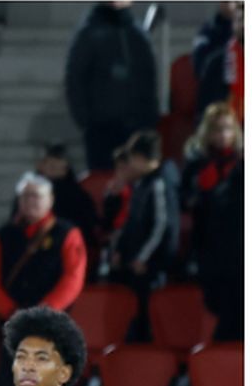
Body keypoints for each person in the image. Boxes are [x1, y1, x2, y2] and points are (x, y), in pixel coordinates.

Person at [0, 173, 89, 346]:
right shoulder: (2, 235)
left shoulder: (67, 233)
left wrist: (46, 309)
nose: (30, 201)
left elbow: (73, 279)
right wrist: (13, 312)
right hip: (13, 324)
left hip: (54, 322)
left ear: (50, 199)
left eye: (36, 196)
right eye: (25, 196)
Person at [66, 3, 158, 172]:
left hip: (137, 126)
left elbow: (149, 79)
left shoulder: (138, 34)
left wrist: (149, 119)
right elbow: (76, 79)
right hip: (101, 129)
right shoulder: (89, 33)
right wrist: (87, 121)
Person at [106, 129, 178, 336]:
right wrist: (122, 250)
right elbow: (131, 222)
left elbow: (161, 225)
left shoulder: (158, 183)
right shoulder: (142, 184)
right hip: (137, 263)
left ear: (140, 157)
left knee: (149, 317)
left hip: (150, 267)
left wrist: (143, 258)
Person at [182, 102, 244, 339]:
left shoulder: (241, 164)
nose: (223, 135)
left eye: (227, 128)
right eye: (217, 129)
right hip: (210, 245)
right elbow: (186, 200)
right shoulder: (196, 163)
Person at [33, 142, 103, 241]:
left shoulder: (78, 195)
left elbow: (88, 226)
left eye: (56, 163)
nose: (53, 166)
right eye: (49, 164)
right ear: (41, 166)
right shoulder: (29, 193)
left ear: (65, 167)